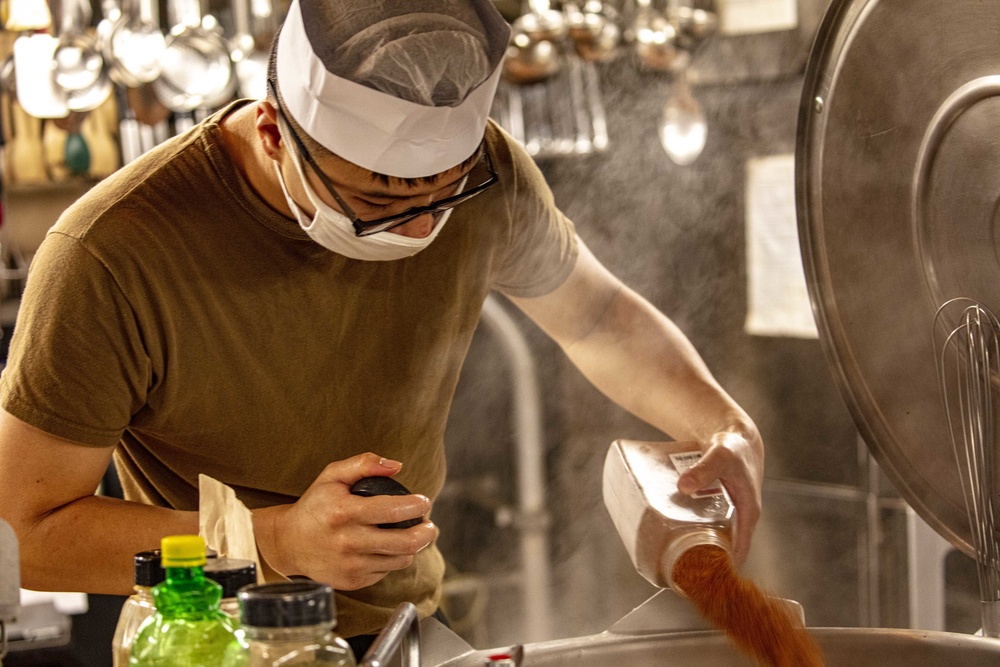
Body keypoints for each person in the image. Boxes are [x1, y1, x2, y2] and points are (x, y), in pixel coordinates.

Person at [0, 0, 764, 657]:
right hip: (211, 640)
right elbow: (25, 529)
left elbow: (596, 316)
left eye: (446, 189)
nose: (426, 224)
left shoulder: (485, 179)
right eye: (383, 199)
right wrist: (272, 541)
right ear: (274, 132)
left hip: (407, 633)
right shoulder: (112, 252)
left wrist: (725, 427)